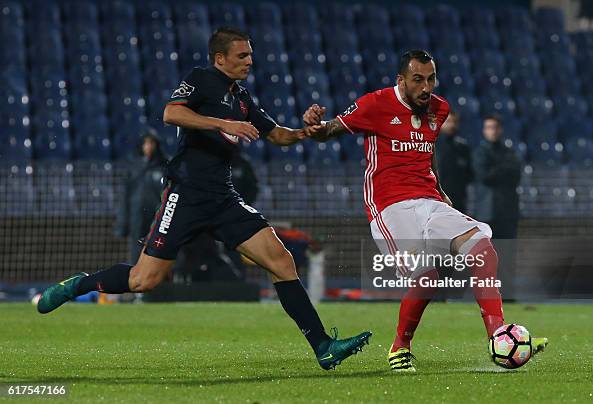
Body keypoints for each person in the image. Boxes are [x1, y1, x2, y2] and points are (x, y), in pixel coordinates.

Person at [37, 27, 371, 370]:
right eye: (242, 56)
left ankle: (323, 347)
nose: (249, 62)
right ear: (220, 58)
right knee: (143, 280)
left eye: (251, 55)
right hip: (185, 194)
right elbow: (172, 113)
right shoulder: (200, 79)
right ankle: (78, 285)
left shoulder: (241, 97)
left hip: (222, 197)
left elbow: (276, 135)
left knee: (282, 262)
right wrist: (223, 123)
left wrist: (307, 131)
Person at [302, 50, 547, 372]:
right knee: (427, 279)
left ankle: (498, 335)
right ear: (401, 80)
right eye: (418, 79)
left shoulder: (439, 109)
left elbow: (426, 151)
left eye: (431, 79)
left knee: (484, 251)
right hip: (390, 206)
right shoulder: (375, 104)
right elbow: (328, 131)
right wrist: (314, 125)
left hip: (430, 201)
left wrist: (441, 191)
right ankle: (399, 347)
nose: (426, 87)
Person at [115, 129, 168, 264]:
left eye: (151, 143)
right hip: (136, 217)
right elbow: (125, 197)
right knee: (136, 254)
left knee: (157, 251)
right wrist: (122, 225)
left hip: (156, 217)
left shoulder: (164, 167)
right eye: (146, 143)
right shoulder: (133, 167)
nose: (148, 146)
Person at [472, 115, 521, 239]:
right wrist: (504, 168)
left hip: (508, 211)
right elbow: (484, 177)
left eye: (495, 127)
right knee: (486, 255)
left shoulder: (510, 152)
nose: (492, 131)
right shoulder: (479, 152)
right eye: (489, 127)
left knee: (507, 252)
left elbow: (516, 177)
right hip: (487, 212)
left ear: (500, 129)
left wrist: (495, 169)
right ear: (484, 130)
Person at [435, 111, 472, 214]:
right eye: (448, 121)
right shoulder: (432, 145)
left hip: (458, 201)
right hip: (437, 200)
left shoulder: (463, 148)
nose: (452, 125)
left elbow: (469, 176)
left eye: (455, 122)